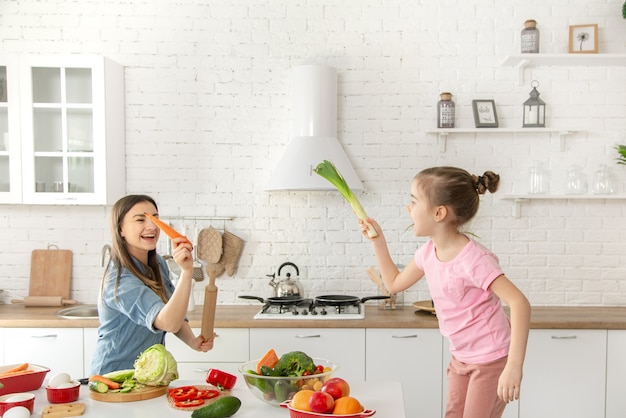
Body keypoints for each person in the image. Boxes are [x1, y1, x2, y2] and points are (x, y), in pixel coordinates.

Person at [360, 166, 530, 418]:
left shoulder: (474, 259)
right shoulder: (428, 253)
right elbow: (394, 283)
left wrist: (514, 367)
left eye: (414, 201)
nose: (409, 208)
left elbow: (519, 303)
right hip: (460, 358)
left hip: (491, 360)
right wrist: (378, 242)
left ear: (439, 213)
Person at [90, 194, 215, 375]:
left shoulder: (157, 263)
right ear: (120, 230)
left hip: (147, 375)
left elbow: (173, 313)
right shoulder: (119, 279)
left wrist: (193, 342)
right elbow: (168, 323)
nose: (152, 226)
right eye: (141, 219)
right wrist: (187, 273)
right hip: (114, 377)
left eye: (155, 219)